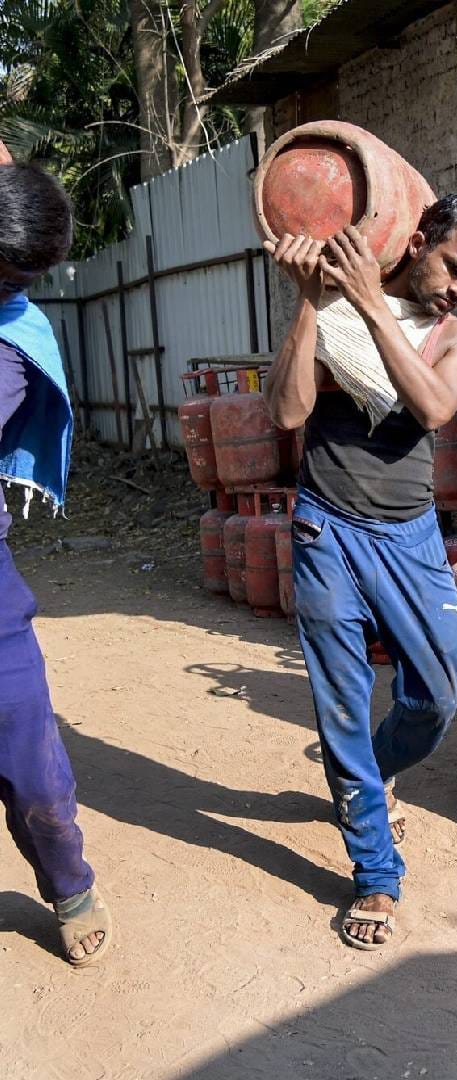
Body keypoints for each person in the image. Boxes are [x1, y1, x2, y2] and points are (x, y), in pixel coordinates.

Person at [263, 193, 457, 950]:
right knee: (340, 701)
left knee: (439, 689)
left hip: (407, 538)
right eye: (455, 268)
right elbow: (285, 412)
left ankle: (368, 778)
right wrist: (312, 303)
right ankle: (375, 869)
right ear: (422, 237)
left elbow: (435, 406)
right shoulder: (333, 307)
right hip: (325, 527)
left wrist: (374, 306)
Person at [0, 147, 111, 966]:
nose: (11, 291)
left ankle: (68, 882)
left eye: (18, 278)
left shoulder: (13, 346)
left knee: (33, 765)